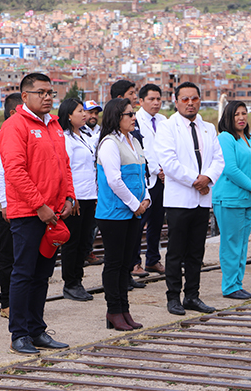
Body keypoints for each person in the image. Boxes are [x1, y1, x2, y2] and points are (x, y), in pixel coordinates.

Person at [0, 73, 75, 355]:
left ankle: (36, 330)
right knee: (23, 273)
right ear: (25, 96)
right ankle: (18, 335)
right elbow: (15, 171)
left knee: (42, 274)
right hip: (29, 213)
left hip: (53, 213)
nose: (47, 97)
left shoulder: (54, 125)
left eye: (50, 93)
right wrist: (39, 205)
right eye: (41, 92)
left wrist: (69, 196)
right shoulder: (15, 126)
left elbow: (64, 165)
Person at [156, 81, 224, 316]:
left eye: (194, 99)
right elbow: (169, 162)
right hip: (179, 199)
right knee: (176, 252)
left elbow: (218, 159)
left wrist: (208, 178)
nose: (190, 103)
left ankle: (192, 296)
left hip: (202, 199)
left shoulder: (208, 127)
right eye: (185, 99)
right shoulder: (168, 127)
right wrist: (196, 180)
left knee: (197, 252)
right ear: (176, 102)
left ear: (200, 101)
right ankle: (173, 297)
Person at [95, 98, 151, 331]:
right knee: (114, 263)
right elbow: (114, 180)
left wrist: (147, 197)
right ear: (116, 117)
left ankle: (124, 309)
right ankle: (113, 310)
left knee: (126, 263)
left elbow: (141, 173)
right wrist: (134, 204)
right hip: (114, 213)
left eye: (133, 113)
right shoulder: (109, 144)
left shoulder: (133, 141)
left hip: (132, 212)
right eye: (128, 114)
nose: (133, 118)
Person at [212, 101, 251, 300]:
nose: (242, 117)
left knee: (243, 244)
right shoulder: (225, 138)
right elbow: (230, 168)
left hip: (250, 199)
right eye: (237, 114)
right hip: (230, 198)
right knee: (231, 243)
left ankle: (237, 283)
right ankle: (229, 286)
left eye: (244, 113)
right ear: (228, 116)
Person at [0, 92, 23, 318]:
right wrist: (5, 204)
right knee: (8, 254)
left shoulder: (22, 134)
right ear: (13, 113)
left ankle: (21, 299)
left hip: (24, 202)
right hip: (6, 204)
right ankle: (6, 302)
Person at [59, 98, 96, 302]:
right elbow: (65, 170)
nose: (84, 114)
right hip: (76, 197)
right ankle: (70, 282)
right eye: (80, 111)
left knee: (84, 242)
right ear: (69, 115)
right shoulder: (65, 138)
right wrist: (70, 196)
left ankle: (78, 279)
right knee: (72, 241)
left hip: (90, 195)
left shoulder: (84, 136)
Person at [131, 84, 167, 276]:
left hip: (162, 180)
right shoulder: (135, 121)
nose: (156, 103)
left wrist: (165, 170)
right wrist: (155, 169)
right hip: (146, 179)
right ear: (141, 101)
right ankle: (135, 262)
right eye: (151, 99)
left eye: (158, 99)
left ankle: (153, 259)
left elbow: (168, 147)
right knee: (139, 222)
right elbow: (140, 150)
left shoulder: (164, 120)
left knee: (157, 221)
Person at [82, 100, 104, 267]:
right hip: (84, 183)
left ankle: (87, 250)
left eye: (96, 113)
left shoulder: (102, 131)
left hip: (98, 181)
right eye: (90, 112)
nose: (93, 116)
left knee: (93, 222)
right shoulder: (77, 132)